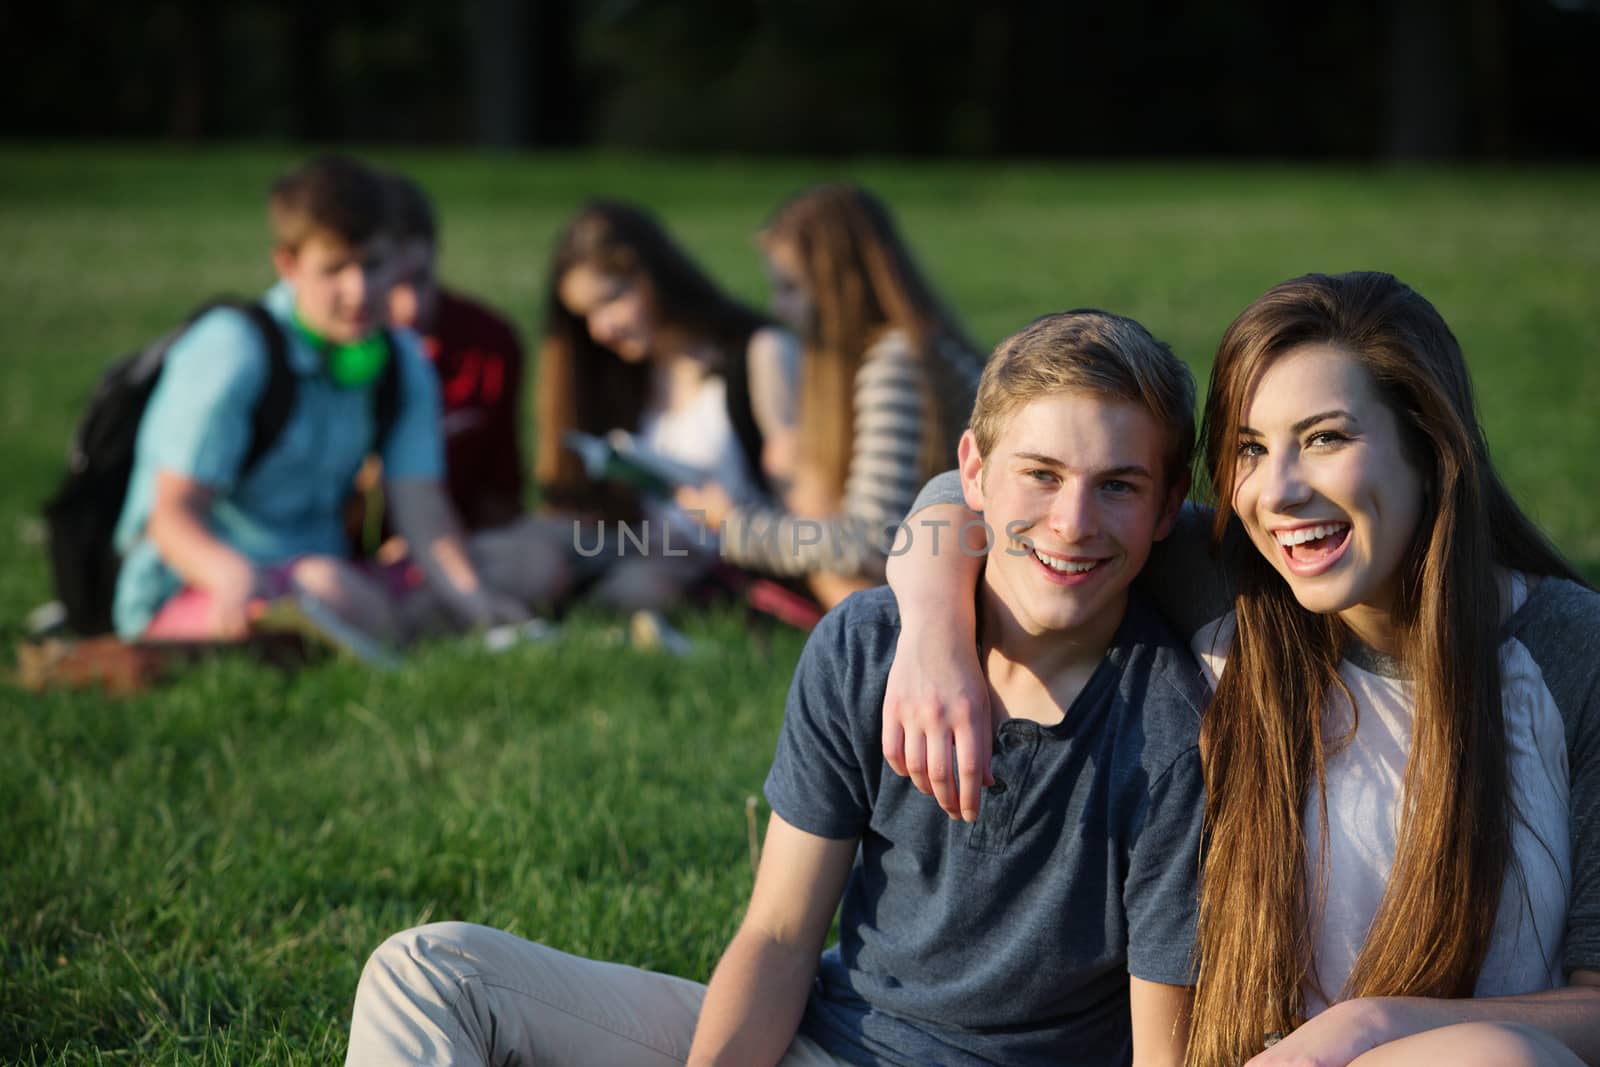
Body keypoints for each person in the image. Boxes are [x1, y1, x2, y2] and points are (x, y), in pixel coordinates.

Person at [345, 310, 1209, 1066]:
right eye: (1042, 474)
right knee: (431, 973)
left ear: (1168, 506)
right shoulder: (868, 645)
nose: (1073, 521)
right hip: (821, 1033)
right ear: (973, 472)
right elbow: (780, 935)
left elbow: (1160, 1047)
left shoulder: (1176, 731)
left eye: (1119, 487)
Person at [878, 272, 1600, 1066]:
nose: (1280, 493)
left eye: (1326, 437)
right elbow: (972, 492)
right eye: (1252, 449)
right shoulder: (1233, 583)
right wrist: (934, 633)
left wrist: (1370, 1025)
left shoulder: (1567, 648)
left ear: (1428, 446)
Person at [111, 155, 539, 647]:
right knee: (337, 593)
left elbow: (422, 507)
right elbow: (172, 518)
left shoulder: (400, 359)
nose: (358, 291)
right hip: (205, 587)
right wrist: (229, 574)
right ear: (288, 265)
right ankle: (383, 629)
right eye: (334, 270)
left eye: (373, 265)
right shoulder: (234, 350)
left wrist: (474, 601)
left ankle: (387, 627)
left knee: (529, 564)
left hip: (330, 572)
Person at [679, 183, 984, 610]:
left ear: (839, 287)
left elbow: (871, 542)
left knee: (808, 495)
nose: (778, 308)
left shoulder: (896, 362)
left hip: (971, 569)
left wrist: (734, 528)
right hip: (944, 553)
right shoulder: (901, 348)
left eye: (790, 288)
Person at [535, 199, 801, 613]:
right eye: (586, 315)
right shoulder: (622, 373)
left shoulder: (760, 354)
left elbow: (803, 510)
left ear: (654, 273)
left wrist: (728, 524)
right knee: (526, 547)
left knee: (632, 590)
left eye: (613, 299)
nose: (602, 329)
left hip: (739, 556)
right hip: (645, 543)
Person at [380, 170, 528, 533]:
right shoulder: (326, 352)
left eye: (419, 279)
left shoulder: (488, 342)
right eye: (389, 285)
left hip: (457, 544)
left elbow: (500, 496)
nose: (409, 306)